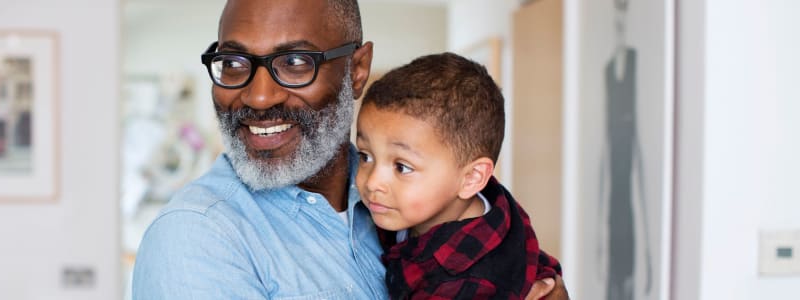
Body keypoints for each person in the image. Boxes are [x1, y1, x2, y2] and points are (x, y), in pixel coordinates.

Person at [130, 0, 567, 298]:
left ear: (357, 70)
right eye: (233, 63)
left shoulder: (413, 198)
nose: (258, 97)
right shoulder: (197, 237)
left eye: (296, 63)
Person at [355, 53, 561, 299]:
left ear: (473, 178)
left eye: (402, 167)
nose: (372, 182)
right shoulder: (487, 200)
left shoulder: (463, 284)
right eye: (365, 156)